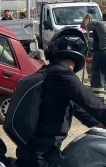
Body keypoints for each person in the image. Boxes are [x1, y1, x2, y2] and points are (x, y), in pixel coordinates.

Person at [16, 28, 106, 167]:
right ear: (82, 52)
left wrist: (99, 125)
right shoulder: (63, 75)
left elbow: (78, 108)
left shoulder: (49, 72)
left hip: (33, 151)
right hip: (43, 155)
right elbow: (95, 105)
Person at [81, 13, 106, 102]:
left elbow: (83, 26)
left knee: (99, 78)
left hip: (102, 53)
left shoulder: (99, 24)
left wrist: (87, 16)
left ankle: (99, 103)